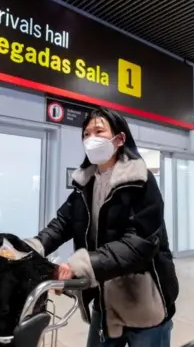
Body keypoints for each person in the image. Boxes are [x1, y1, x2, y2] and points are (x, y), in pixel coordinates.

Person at [25, 108, 178, 347]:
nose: (91, 139)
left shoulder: (141, 182)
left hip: (145, 302)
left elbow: (138, 243)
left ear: (119, 139)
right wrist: (30, 248)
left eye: (99, 131)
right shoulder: (85, 183)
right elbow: (63, 223)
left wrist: (79, 265)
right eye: (86, 134)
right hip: (104, 301)